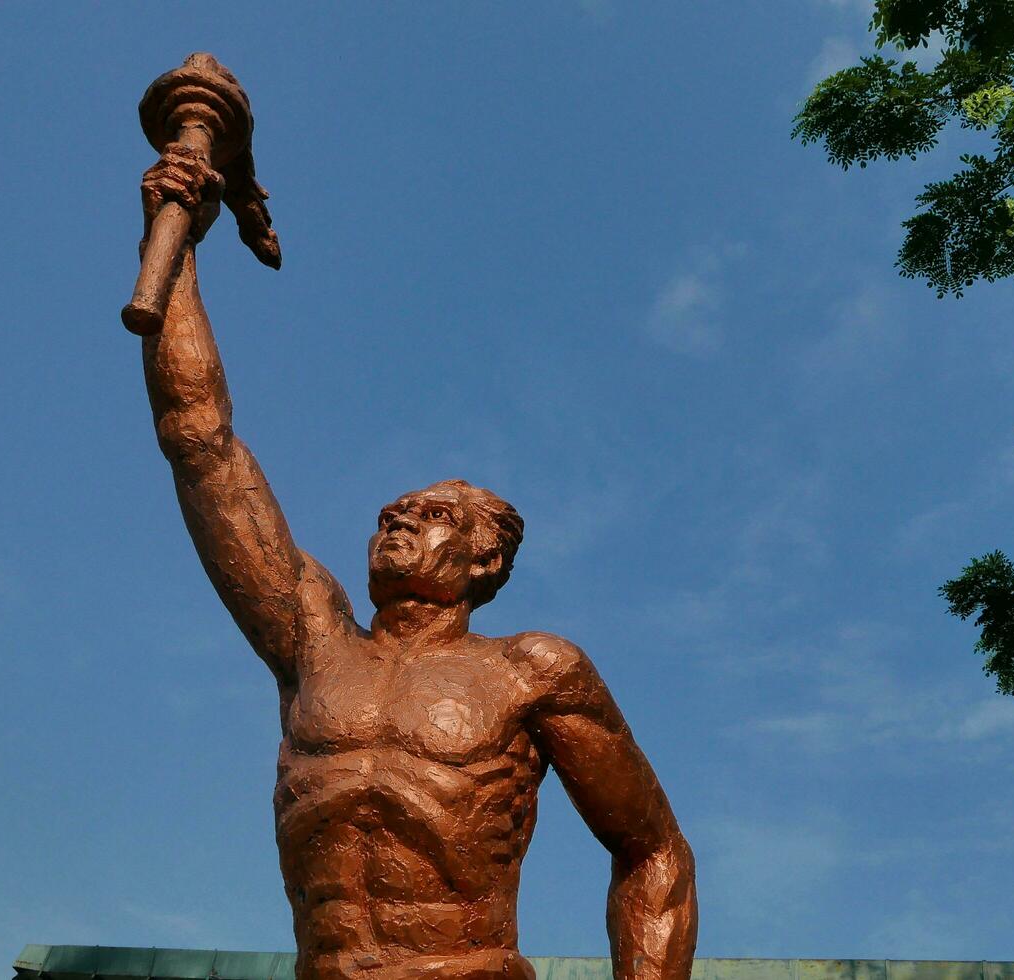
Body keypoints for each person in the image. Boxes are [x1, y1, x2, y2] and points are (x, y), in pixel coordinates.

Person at [136, 144, 698, 980]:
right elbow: (199, 441)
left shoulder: (532, 672)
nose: (398, 520)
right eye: (390, 514)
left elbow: (653, 851)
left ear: (486, 557)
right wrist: (174, 247)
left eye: (432, 516)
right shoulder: (313, 638)